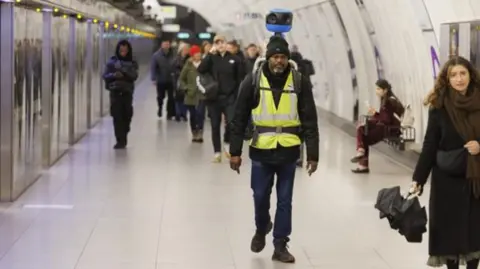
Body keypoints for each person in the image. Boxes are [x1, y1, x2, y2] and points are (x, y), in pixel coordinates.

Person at [229, 35, 319, 263]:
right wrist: (236, 151)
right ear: (268, 58)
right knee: (260, 196)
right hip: (261, 151)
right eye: (275, 57)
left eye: (283, 57)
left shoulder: (299, 82)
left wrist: (313, 154)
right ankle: (261, 228)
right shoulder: (252, 81)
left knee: (285, 200)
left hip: (289, 152)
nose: (279, 61)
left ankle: (280, 245)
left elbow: (310, 120)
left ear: (288, 59)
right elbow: (238, 118)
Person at [410, 56, 480, 269]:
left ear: (470, 75)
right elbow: (430, 144)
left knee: (474, 236)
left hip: (474, 182)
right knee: (450, 237)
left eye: (463, 73)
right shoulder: (439, 105)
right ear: (446, 79)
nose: (459, 79)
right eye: (453, 75)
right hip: (446, 181)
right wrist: (418, 179)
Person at [197, 35, 244, 162]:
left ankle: (227, 142)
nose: (220, 45)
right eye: (217, 43)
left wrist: (237, 95)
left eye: (222, 42)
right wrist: (208, 55)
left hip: (229, 97)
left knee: (230, 122)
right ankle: (217, 152)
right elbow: (201, 69)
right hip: (214, 98)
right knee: (215, 125)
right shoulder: (211, 59)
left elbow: (240, 78)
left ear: (226, 44)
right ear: (214, 45)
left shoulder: (235, 59)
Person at [350, 79, 404, 173]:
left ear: (385, 90)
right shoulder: (387, 99)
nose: (376, 91)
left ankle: (362, 157)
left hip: (387, 129)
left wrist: (374, 113)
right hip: (385, 127)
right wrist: (374, 116)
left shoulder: (389, 101)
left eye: (379, 89)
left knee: (364, 136)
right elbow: (385, 117)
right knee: (362, 128)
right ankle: (361, 152)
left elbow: (386, 120)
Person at [102, 39, 138, 149]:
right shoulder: (111, 62)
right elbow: (105, 76)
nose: (123, 52)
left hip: (127, 92)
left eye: (125, 50)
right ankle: (119, 140)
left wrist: (123, 72)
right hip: (115, 92)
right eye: (121, 50)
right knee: (117, 117)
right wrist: (114, 75)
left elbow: (134, 76)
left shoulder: (132, 63)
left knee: (127, 115)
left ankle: (125, 132)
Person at [179, 45, 206, 142]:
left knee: (201, 114)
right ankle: (194, 132)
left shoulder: (204, 64)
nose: (198, 55)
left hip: (202, 94)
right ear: (192, 55)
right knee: (193, 114)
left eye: (199, 53)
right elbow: (181, 79)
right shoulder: (188, 65)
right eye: (196, 53)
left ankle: (200, 132)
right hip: (190, 94)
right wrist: (186, 88)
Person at [151, 40, 176, 120]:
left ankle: (169, 113)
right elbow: (153, 67)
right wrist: (153, 78)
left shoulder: (173, 55)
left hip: (171, 80)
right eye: (165, 44)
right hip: (161, 79)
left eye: (168, 44)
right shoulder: (156, 55)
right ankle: (160, 107)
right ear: (161, 45)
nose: (166, 46)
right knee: (160, 96)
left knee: (171, 97)